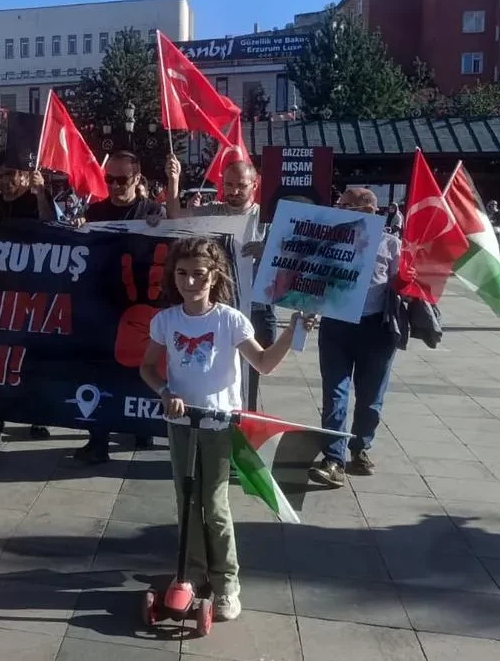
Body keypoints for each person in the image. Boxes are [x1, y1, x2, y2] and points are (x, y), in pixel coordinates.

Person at [138, 236, 309, 623]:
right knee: (186, 501)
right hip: (181, 423)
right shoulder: (166, 320)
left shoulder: (229, 320)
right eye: (182, 273)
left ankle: (227, 583)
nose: (190, 282)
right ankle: (193, 574)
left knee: (214, 505)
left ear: (215, 276)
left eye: (199, 274)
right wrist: (165, 392)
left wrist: (292, 330)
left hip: (218, 425)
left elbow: (264, 363)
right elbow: (147, 368)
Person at [165, 156, 277, 413]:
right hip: (218, 309)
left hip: (256, 309)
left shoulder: (267, 218)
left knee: (252, 373)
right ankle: (215, 417)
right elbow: (175, 215)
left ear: (254, 185)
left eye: (241, 185)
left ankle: (245, 421)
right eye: (228, 185)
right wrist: (173, 180)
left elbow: (292, 255)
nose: (234, 191)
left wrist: (268, 251)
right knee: (217, 370)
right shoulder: (213, 211)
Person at [308, 188, 402, 488]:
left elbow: (403, 285)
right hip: (335, 326)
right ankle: (333, 459)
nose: (338, 210)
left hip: (376, 329)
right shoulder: (328, 241)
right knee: (335, 394)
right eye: (338, 205)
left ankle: (360, 448)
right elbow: (310, 275)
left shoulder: (390, 244)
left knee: (371, 396)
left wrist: (410, 279)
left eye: (345, 206)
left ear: (368, 211)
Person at [76, 151, 162, 463]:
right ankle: (98, 438)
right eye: (109, 179)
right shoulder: (95, 212)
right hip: (105, 304)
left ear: (137, 179)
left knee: (141, 370)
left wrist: (162, 223)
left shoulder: (153, 212)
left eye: (121, 179)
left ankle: (141, 428)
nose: (114, 185)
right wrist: (77, 229)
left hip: (142, 307)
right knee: (102, 371)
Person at [0, 151, 54, 452]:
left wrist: (41, 193)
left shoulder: (36, 200)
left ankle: (38, 416)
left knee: (32, 360)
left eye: (10, 174)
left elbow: (52, 226)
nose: (5, 181)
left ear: (23, 174)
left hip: (33, 294)